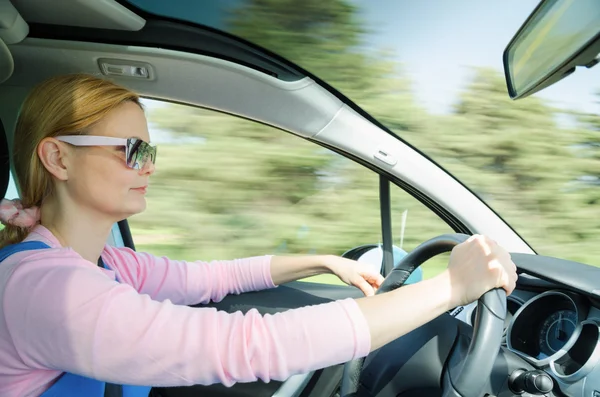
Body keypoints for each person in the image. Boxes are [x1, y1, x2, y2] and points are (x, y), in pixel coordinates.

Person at [0, 74, 518, 397]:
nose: (149, 167)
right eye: (133, 150)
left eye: (151, 152)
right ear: (58, 156)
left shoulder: (110, 265)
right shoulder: (45, 289)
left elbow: (213, 278)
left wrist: (325, 262)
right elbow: (244, 346)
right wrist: (451, 288)